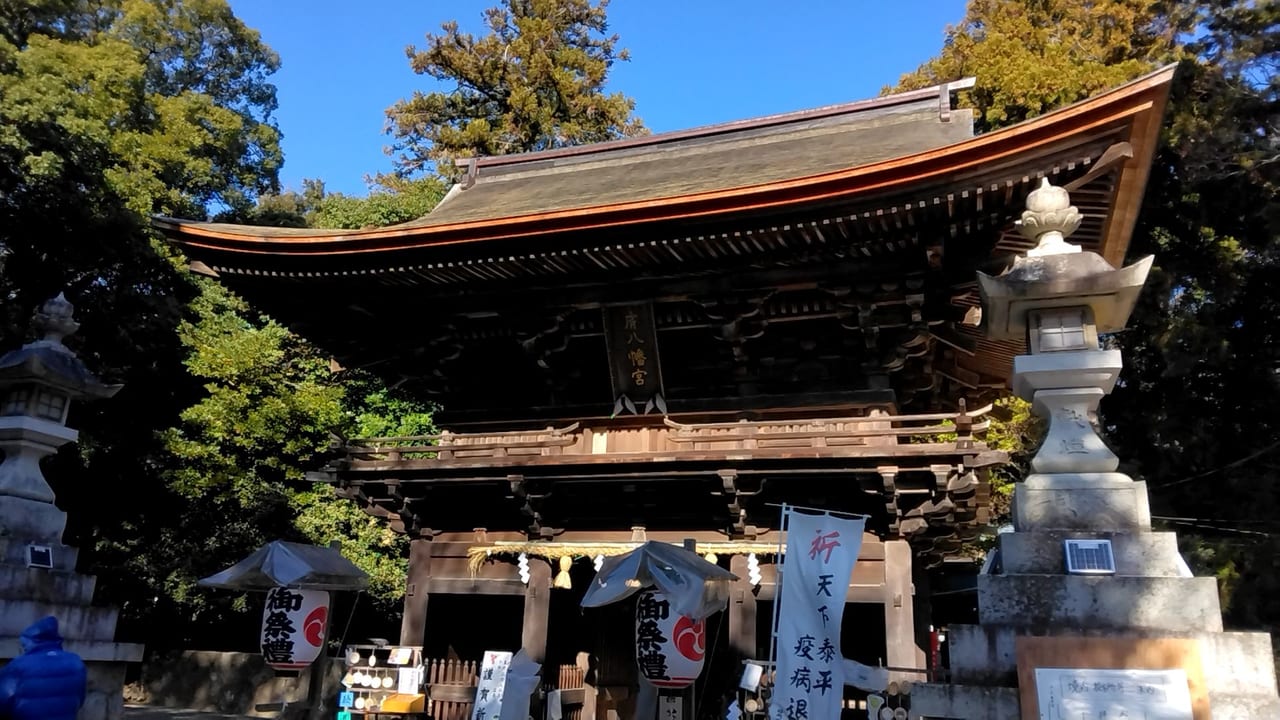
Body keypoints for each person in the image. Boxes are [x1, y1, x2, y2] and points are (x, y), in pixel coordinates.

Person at [0, 616, 87, 720]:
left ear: (30, 641)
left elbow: (3, 702)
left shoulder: (17, 666)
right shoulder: (76, 662)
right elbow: (79, 700)